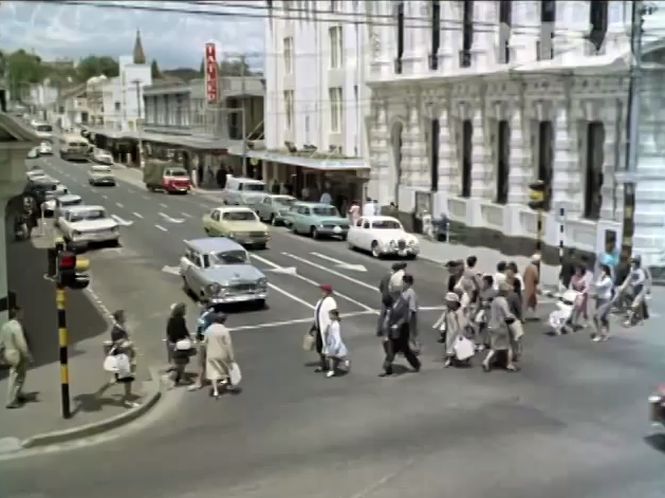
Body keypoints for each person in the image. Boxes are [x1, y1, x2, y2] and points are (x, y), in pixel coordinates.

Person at [381, 289, 421, 376]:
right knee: (391, 349)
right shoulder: (391, 303)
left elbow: (405, 317)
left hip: (402, 331)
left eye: (393, 294)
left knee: (405, 349)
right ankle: (388, 368)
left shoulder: (404, 303)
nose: (392, 295)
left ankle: (416, 364)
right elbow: (388, 316)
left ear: (397, 294)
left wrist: (397, 325)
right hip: (392, 331)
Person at [1, 305, 32, 409]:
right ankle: (11, 400)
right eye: (21, 312)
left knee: (16, 375)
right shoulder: (17, 326)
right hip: (17, 354)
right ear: (17, 313)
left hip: (8, 352)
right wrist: (28, 355)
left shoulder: (5, 325)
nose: (23, 314)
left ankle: (18, 394)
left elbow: (1, 341)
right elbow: (21, 343)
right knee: (17, 377)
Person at [483, 282, 518, 372]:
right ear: (505, 292)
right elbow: (507, 314)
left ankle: (487, 361)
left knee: (494, 347)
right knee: (508, 346)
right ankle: (509, 364)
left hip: (492, 324)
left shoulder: (495, 300)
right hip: (501, 326)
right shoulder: (503, 301)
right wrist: (514, 317)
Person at [109, 310, 139, 408]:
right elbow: (119, 346)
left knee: (128, 377)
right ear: (119, 318)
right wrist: (129, 344)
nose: (125, 317)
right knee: (127, 379)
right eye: (123, 316)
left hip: (127, 355)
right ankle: (127, 401)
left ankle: (128, 396)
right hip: (122, 356)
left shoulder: (121, 327)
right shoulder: (116, 331)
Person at [204, 313, 237, 398]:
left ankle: (215, 391)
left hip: (211, 354)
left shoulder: (208, 329)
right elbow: (228, 344)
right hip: (222, 354)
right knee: (227, 369)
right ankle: (229, 385)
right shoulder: (224, 330)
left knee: (213, 372)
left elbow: (205, 342)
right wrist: (231, 356)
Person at [433, 292, 469, 368]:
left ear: (454, 303)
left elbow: (461, 323)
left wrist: (461, 332)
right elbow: (442, 317)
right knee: (449, 345)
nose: (447, 303)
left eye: (449, 302)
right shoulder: (448, 310)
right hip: (450, 331)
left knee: (456, 345)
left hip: (457, 332)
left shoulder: (459, 312)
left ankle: (456, 359)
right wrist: (437, 325)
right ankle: (450, 359)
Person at [166, 303, 192, 387]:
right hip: (180, 342)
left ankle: (179, 377)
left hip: (173, 342)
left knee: (178, 361)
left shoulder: (171, 319)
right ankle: (181, 378)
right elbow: (183, 330)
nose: (185, 311)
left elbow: (169, 332)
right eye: (184, 309)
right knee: (182, 361)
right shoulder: (181, 319)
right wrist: (188, 337)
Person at [313, 284, 337, 372]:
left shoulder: (331, 302)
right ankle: (322, 365)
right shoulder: (320, 301)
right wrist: (314, 326)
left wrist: (330, 327)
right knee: (319, 347)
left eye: (323, 290)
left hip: (327, 329)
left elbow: (334, 315)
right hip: (320, 327)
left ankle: (331, 368)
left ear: (327, 292)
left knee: (329, 349)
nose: (321, 292)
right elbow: (318, 314)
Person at [377, 263, 406, 335]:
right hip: (393, 298)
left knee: (383, 314)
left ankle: (379, 330)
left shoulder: (386, 276)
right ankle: (391, 331)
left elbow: (381, 287)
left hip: (385, 297)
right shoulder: (398, 278)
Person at [323, 309, 349, 378]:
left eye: (330, 315)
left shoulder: (336, 325)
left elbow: (337, 336)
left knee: (331, 357)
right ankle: (344, 361)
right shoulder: (332, 323)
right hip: (332, 342)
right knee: (334, 357)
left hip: (335, 343)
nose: (329, 316)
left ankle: (331, 371)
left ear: (334, 316)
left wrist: (336, 346)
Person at [473, 274, 496, 350]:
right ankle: (478, 342)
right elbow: (478, 302)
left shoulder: (494, 292)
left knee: (487, 328)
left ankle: (486, 343)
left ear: (489, 283)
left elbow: (496, 303)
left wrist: (488, 304)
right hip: (482, 311)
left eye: (484, 282)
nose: (483, 284)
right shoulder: (481, 291)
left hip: (489, 312)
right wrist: (475, 311)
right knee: (478, 326)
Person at [592, 264, 613, 342]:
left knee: (597, 317)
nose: (601, 272)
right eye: (600, 270)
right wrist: (595, 295)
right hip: (599, 300)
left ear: (606, 271)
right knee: (604, 318)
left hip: (606, 300)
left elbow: (599, 286)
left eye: (603, 270)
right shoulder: (600, 279)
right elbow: (598, 289)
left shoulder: (608, 280)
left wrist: (595, 282)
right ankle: (607, 334)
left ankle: (599, 335)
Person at [401, 274, 419, 353]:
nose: (402, 284)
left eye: (404, 282)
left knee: (411, 333)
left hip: (409, 316)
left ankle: (415, 349)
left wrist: (408, 318)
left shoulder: (410, 292)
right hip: (403, 315)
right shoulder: (403, 291)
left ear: (408, 283)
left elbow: (412, 307)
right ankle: (404, 348)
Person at [569, 265, 589, 330]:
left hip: (584, 295)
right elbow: (571, 286)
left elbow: (587, 286)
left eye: (579, 271)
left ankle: (585, 321)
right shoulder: (573, 277)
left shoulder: (584, 278)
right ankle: (574, 321)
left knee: (584, 309)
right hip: (576, 294)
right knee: (576, 308)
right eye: (576, 270)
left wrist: (582, 291)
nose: (577, 272)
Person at [523, 254, 541, 320]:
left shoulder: (528, 267)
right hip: (532, 287)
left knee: (527, 302)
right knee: (533, 301)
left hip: (527, 286)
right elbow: (536, 278)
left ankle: (525, 316)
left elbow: (524, 276)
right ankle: (534, 315)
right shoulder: (535, 267)